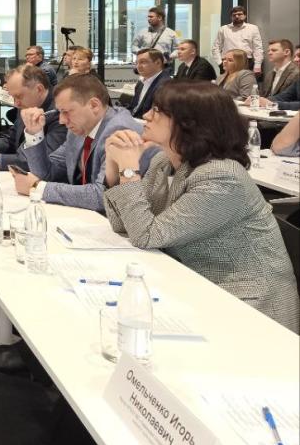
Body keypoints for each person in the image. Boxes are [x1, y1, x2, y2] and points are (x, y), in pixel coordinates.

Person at [103, 81, 299, 332]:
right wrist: (114, 162)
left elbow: (146, 236)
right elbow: (124, 224)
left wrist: (129, 170)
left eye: (157, 111)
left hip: (248, 308)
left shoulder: (222, 177)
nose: (146, 116)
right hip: (197, 288)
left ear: (189, 123)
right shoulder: (165, 162)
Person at [10, 74, 150, 211]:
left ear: (94, 105)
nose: (61, 121)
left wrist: (38, 188)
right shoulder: (80, 127)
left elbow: (102, 196)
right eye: (60, 112)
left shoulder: (119, 130)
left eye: (66, 112)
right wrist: (34, 134)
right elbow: (48, 173)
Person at [0, 65, 66, 172]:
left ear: (39, 89)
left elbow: (42, 161)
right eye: (13, 97)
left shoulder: (62, 113)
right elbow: (11, 139)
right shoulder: (27, 104)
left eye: (19, 96)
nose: (16, 104)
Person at [212, 5, 264, 75]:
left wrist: (258, 65)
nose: (237, 16)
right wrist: (220, 63)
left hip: (246, 62)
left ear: (245, 16)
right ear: (231, 17)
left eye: (239, 14)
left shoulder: (253, 28)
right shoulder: (223, 29)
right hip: (228, 62)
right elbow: (215, 48)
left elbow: (257, 48)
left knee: (245, 81)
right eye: (234, 15)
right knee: (228, 82)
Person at [129, 48, 170, 119]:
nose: (138, 66)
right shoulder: (141, 83)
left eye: (143, 62)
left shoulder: (165, 85)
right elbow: (133, 107)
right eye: (137, 63)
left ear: (158, 63)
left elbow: (157, 116)